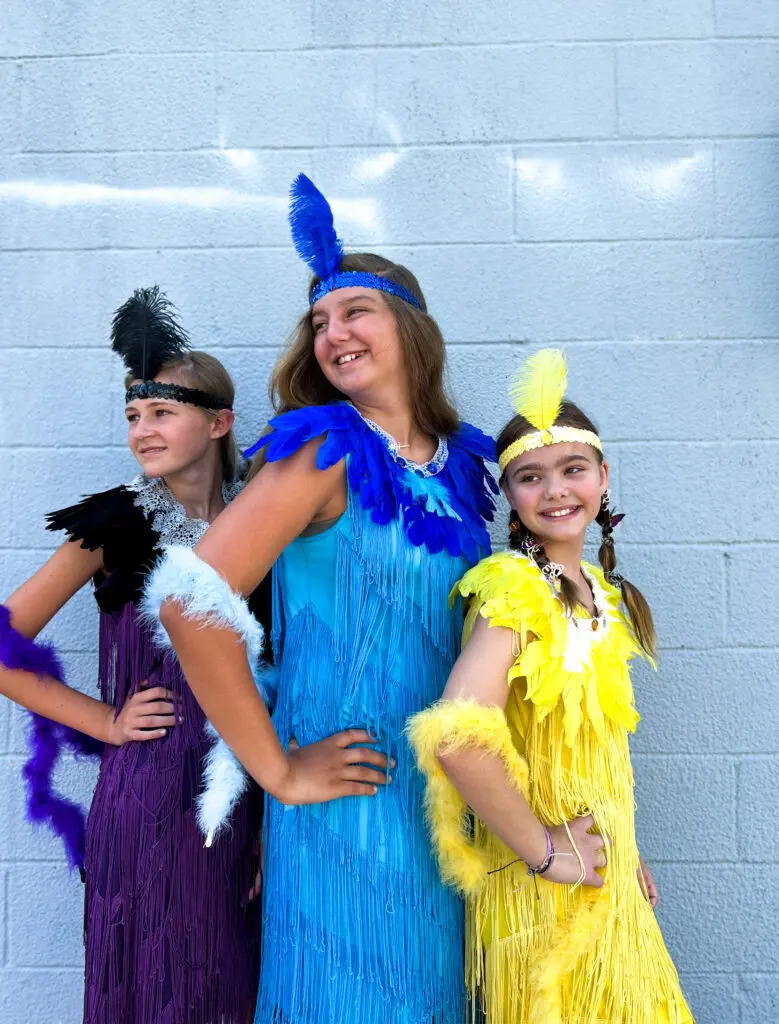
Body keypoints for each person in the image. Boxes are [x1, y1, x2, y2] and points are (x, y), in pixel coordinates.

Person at [145, 174, 498, 1024]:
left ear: (411, 329)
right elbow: (189, 604)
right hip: (345, 804)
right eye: (318, 323)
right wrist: (275, 769)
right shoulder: (321, 448)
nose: (332, 333)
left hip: (439, 809)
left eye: (354, 313)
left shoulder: (458, 471)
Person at [0, 287, 266, 1023]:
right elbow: (3, 637)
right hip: (147, 788)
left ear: (218, 422)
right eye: (132, 416)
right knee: (151, 975)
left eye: (162, 411)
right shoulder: (115, 522)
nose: (142, 429)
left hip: (246, 783)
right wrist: (104, 720)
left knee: (229, 975)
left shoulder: (263, 524)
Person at [408, 349, 694, 1024]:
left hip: (606, 882)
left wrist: (623, 848)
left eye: (572, 469)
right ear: (508, 496)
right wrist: (544, 853)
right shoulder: (517, 591)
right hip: (543, 899)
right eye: (530, 477)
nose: (556, 489)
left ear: (602, 477)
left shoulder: (602, 593)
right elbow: (454, 737)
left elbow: (590, 753)